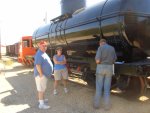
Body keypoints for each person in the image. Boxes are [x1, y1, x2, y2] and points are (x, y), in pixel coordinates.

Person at [94, 39, 117, 110]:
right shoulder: (112, 48)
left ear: (100, 43)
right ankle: (107, 106)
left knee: (99, 88)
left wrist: (100, 61)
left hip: (101, 68)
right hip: (110, 68)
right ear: (105, 42)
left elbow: (97, 61)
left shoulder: (100, 48)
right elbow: (115, 59)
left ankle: (96, 105)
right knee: (107, 89)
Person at [34, 41, 53, 109]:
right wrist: (41, 74)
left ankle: (41, 99)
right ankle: (41, 105)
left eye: (45, 46)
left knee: (43, 89)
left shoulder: (43, 53)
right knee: (41, 90)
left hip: (44, 75)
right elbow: (38, 65)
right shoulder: (39, 54)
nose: (45, 47)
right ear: (39, 46)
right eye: (43, 46)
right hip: (41, 76)